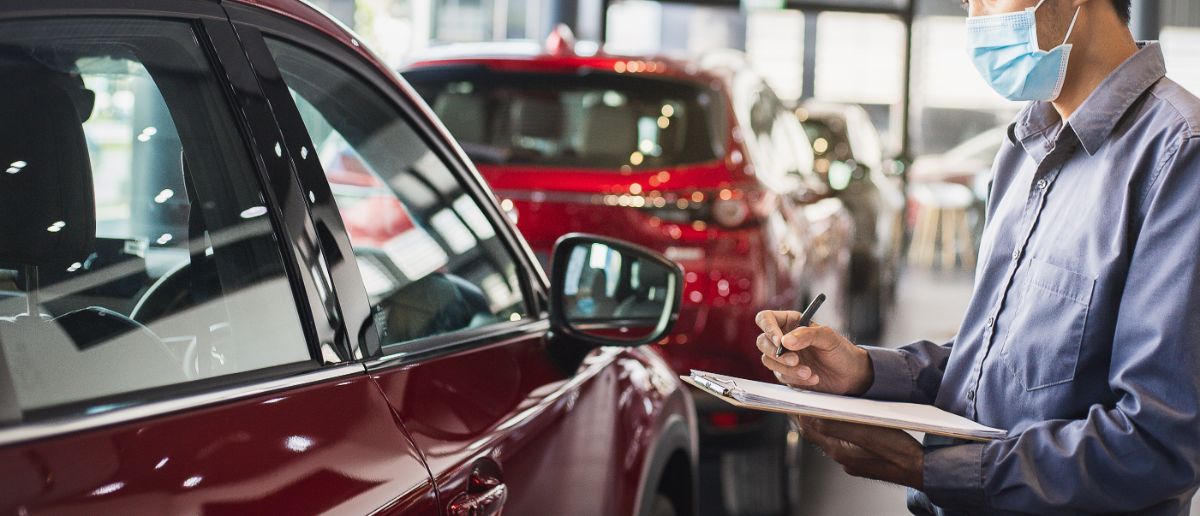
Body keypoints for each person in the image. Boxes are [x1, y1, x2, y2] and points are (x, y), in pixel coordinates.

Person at [755, 0, 1200, 513]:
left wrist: (934, 468)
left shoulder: (1177, 154)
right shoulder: (1024, 146)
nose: (977, 18)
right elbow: (996, 360)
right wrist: (863, 371)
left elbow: (1158, 443)